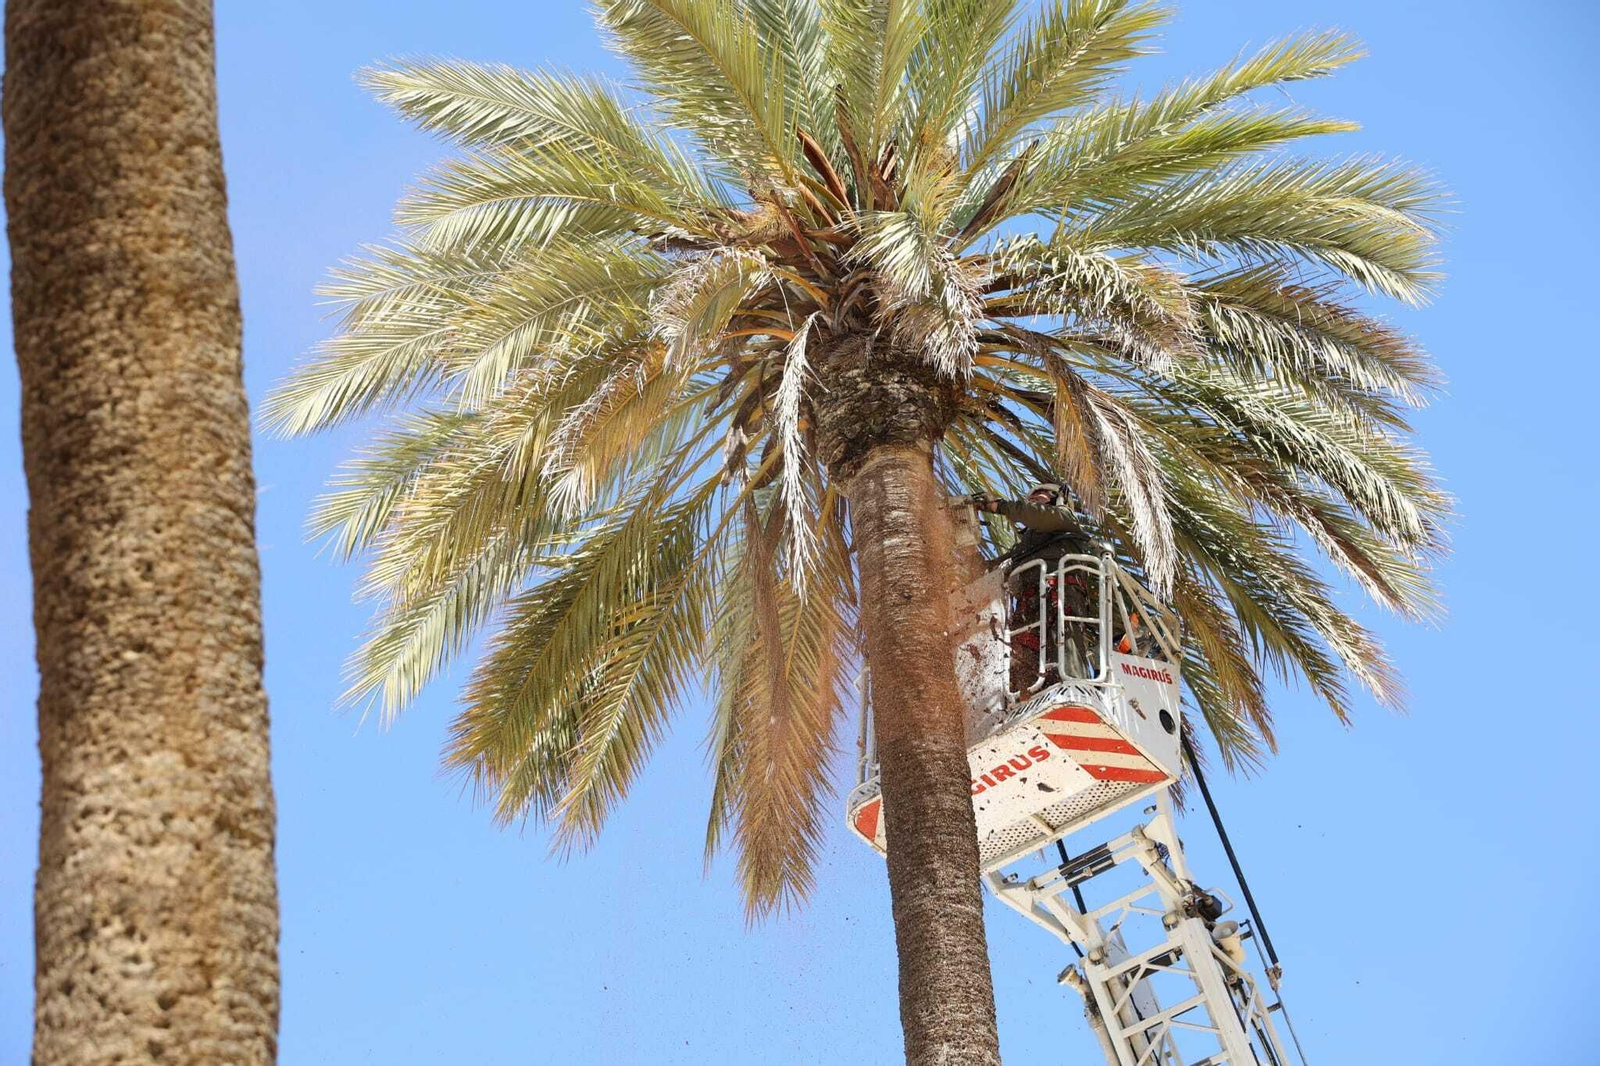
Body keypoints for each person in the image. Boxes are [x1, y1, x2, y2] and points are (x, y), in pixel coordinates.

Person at [972, 484, 1095, 692]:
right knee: (1021, 657)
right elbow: (990, 572)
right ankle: (1026, 696)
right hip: (1028, 608)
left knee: (1063, 649)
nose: (1034, 498)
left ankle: (1072, 690)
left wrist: (997, 506)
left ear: (1059, 500)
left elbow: (1036, 514)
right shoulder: (1024, 548)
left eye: (1042, 494)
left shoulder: (1064, 519)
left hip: (1060, 597)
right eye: (1030, 497)